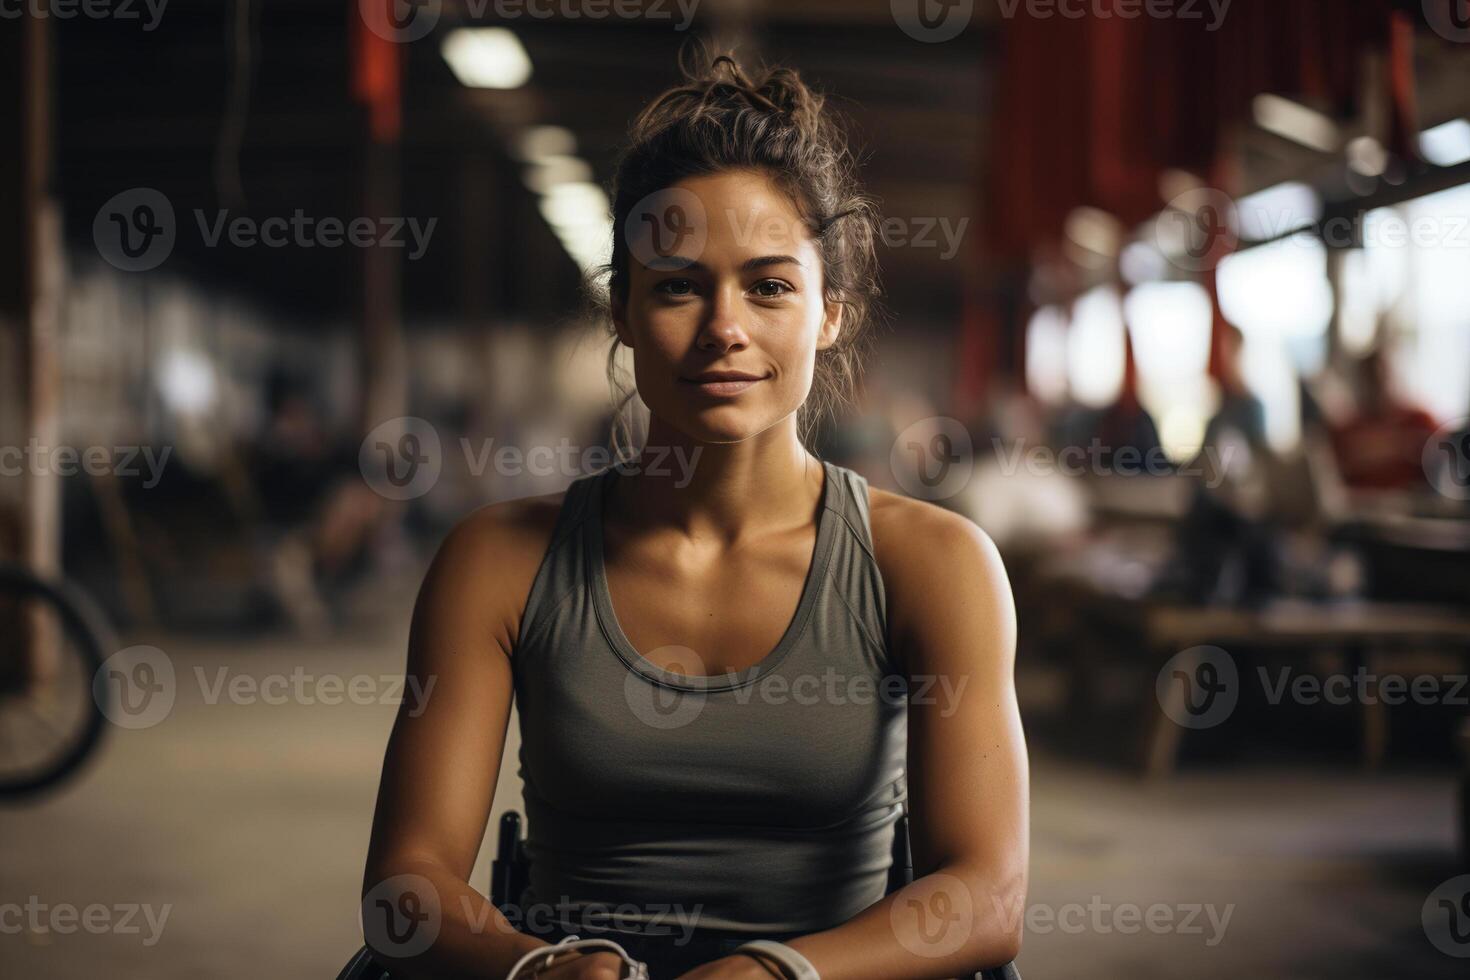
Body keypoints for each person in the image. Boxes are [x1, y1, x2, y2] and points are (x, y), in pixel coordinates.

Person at [361, 52, 1028, 980]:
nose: (725, 326)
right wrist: (537, 968)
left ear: (830, 312)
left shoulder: (934, 564)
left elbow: (988, 898)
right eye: (677, 285)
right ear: (623, 314)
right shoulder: (498, 560)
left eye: (770, 285)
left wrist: (780, 975)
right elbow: (406, 884)